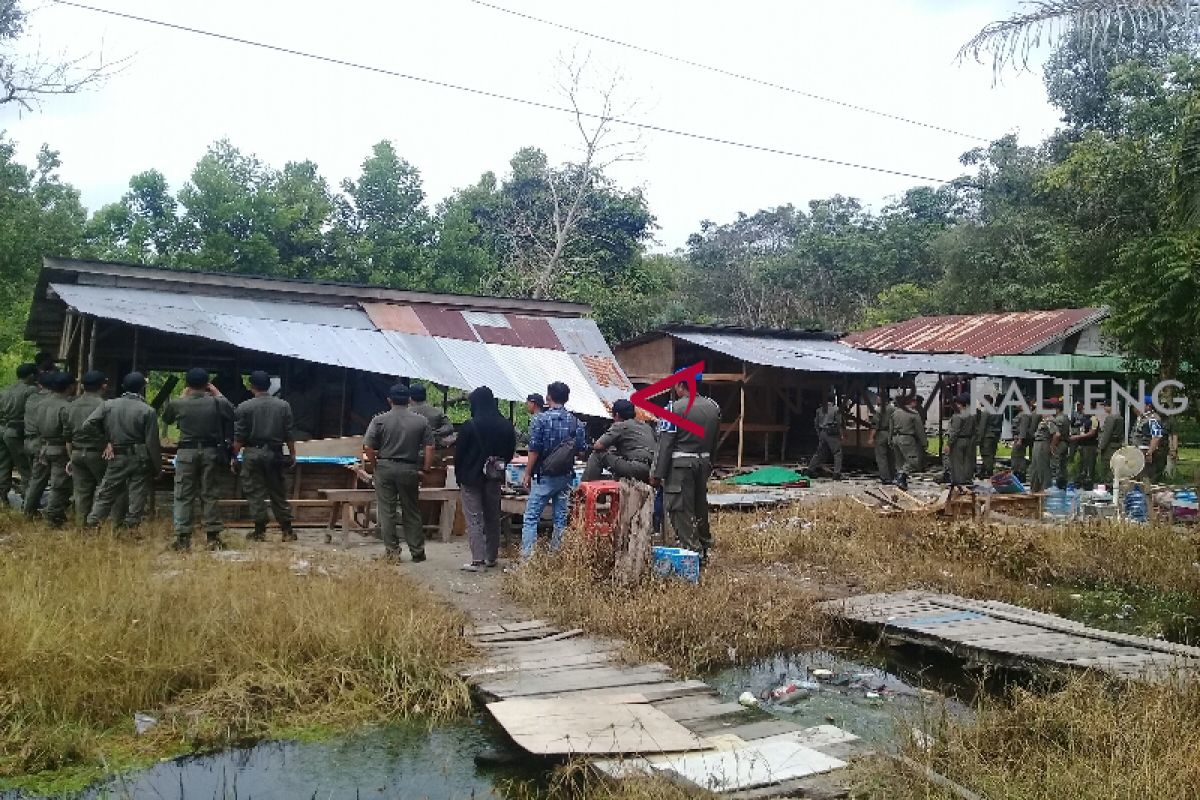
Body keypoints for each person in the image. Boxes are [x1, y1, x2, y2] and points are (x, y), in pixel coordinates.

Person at [162, 368, 235, 551]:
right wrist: (217, 392)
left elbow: (167, 418)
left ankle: (183, 538)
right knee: (209, 493)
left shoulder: (179, 404)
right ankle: (213, 537)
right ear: (207, 384)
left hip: (186, 452)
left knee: (183, 494)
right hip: (211, 452)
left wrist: (181, 395)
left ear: (187, 384)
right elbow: (232, 412)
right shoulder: (217, 403)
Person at [651, 379, 721, 560]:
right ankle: (705, 546)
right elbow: (715, 440)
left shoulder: (673, 409)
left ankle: (692, 553)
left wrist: (657, 474)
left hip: (680, 467)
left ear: (681, 385)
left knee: (680, 509)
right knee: (700, 507)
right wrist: (709, 463)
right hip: (703, 463)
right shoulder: (714, 407)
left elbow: (665, 444)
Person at [363, 384, 434, 563]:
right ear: (409, 400)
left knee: (387, 511)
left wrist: (375, 464)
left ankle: (392, 552)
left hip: (385, 468)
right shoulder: (421, 421)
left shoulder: (379, 420)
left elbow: (368, 447)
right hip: (409, 468)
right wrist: (425, 469)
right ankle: (417, 552)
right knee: (411, 510)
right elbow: (430, 447)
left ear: (389, 400)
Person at [82, 372, 161, 528]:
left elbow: (87, 425)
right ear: (142, 388)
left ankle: (93, 524)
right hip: (140, 457)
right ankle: (131, 527)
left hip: (117, 455)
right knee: (137, 494)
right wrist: (157, 467)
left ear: (123, 386)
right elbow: (152, 442)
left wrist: (105, 442)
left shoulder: (108, 405)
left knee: (106, 492)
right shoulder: (148, 410)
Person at [520, 381, 588, 559]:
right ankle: (556, 556)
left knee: (531, 517)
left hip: (544, 475)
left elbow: (534, 449)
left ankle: (527, 560)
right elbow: (581, 450)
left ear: (548, 397)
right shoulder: (576, 422)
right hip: (565, 476)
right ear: (566, 398)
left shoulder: (540, 419)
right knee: (560, 518)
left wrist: (527, 473)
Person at [455, 385, 516, 571]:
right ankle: (491, 557)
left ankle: (478, 561)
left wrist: (460, 475)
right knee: (493, 517)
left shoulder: (469, 426)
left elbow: (459, 455)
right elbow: (509, 453)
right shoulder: (506, 425)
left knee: (474, 518)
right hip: (494, 478)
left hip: (470, 478)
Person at [233, 370, 297, 542]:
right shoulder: (284, 406)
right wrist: (292, 455)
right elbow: (289, 434)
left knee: (255, 492)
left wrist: (234, 456)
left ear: (251, 386)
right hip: (275, 453)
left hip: (253, 453)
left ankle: (259, 530)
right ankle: (287, 530)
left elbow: (239, 437)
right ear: (269, 386)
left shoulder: (244, 407)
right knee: (278, 491)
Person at [65, 370, 123, 525]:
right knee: (111, 490)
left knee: (82, 494)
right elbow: (112, 432)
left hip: (77, 453)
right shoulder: (105, 406)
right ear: (103, 386)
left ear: (83, 386)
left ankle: (81, 528)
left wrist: (71, 457)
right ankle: (114, 527)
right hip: (99, 454)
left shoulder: (70, 405)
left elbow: (67, 436)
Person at [23, 371, 74, 525]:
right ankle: (53, 516)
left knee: (36, 481)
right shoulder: (66, 406)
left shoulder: (40, 403)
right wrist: (71, 457)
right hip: (59, 449)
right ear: (70, 387)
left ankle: (28, 510)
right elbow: (68, 436)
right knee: (59, 484)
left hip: (42, 446)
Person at [582, 399, 655, 483]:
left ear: (616, 415)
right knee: (614, 454)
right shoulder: (647, 427)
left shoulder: (620, 425)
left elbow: (598, 446)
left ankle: (585, 489)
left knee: (598, 455)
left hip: (635, 467)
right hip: (651, 469)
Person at [0, 363, 38, 501]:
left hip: (2, 428)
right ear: (32, 376)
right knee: (25, 467)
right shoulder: (30, 390)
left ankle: (2, 498)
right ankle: (28, 499)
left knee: (3, 465)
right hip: (17, 432)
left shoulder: (6, 390)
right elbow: (32, 413)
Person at [22, 371, 53, 505]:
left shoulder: (31, 398)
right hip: (40, 443)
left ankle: (28, 504)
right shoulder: (50, 401)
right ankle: (28, 509)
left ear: (39, 385)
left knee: (32, 476)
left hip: (28, 441)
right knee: (38, 479)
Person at [889, 394, 927, 491]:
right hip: (907, 438)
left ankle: (900, 480)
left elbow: (891, 427)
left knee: (899, 462)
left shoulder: (895, 412)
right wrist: (924, 442)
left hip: (895, 438)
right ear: (911, 402)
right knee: (913, 460)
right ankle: (901, 476)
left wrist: (890, 440)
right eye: (914, 401)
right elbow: (920, 430)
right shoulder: (914, 413)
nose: (916, 403)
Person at [1131, 395, 1166, 482]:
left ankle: (1147, 494)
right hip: (1138, 452)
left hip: (1145, 452)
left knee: (1145, 478)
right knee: (1137, 477)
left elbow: (1156, 437)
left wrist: (1149, 452)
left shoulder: (1153, 418)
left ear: (1148, 406)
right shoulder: (1142, 417)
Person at [1028, 403, 1062, 494]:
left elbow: (1057, 434)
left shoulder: (1050, 420)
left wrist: (1052, 445)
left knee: (1042, 467)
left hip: (1043, 444)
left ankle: (1044, 489)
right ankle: (1035, 488)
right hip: (1037, 443)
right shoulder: (1043, 420)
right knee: (1035, 467)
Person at [808, 396, 843, 480]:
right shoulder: (835, 409)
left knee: (819, 453)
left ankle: (810, 469)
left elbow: (815, 423)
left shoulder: (819, 410)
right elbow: (839, 423)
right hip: (832, 433)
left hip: (822, 432)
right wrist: (841, 434)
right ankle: (837, 473)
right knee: (837, 453)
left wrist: (819, 433)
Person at [947, 394, 978, 487]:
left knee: (957, 461)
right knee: (968, 461)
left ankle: (959, 480)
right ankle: (967, 478)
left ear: (959, 404)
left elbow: (955, 432)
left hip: (958, 440)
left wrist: (949, 444)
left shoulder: (957, 416)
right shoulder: (972, 414)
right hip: (969, 439)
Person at [867, 393, 895, 485]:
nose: (877, 400)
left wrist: (871, 438)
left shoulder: (878, 411)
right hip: (892, 434)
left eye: (878, 399)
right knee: (891, 457)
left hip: (881, 434)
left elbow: (875, 425)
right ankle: (892, 476)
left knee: (881, 457)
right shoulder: (894, 409)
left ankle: (885, 478)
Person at [1071, 404, 1100, 489]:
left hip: (1090, 446)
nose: (1083, 410)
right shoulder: (1084, 419)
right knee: (1082, 465)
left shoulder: (1093, 419)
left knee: (1089, 466)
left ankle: (1089, 484)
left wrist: (1078, 437)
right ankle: (1082, 482)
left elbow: (1092, 433)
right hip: (1082, 445)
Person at [1096, 399, 1123, 486]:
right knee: (1115, 466)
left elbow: (1106, 434)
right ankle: (1112, 485)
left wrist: (1101, 447)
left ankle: (1108, 485)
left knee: (1107, 466)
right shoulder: (1120, 417)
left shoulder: (1111, 418)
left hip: (1109, 446)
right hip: (1117, 444)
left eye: (1105, 406)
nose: (1104, 408)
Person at [975, 395, 1004, 477]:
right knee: (991, 454)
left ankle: (990, 474)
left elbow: (982, 427)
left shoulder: (986, 412)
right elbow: (1001, 425)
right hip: (995, 435)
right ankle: (982, 472)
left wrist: (979, 439)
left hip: (986, 436)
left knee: (986, 455)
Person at [1010, 405, 1037, 482]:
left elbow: (1023, 427)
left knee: (1017, 456)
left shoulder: (1025, 414)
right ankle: (1019, 472)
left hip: (1020, 439)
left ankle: (1020, 472)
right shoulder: (1024, 413)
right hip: (1019, 437)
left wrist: (1020, 439)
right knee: (1017, 456)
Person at [1052, 399, 1072, 489]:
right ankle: (1063, 482)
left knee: (1056, 463)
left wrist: (1053, 445)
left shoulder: (1058, 419)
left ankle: (1058, 483)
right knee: (1063, 464)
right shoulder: (1066, 417)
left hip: (1059, 443)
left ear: (1057, 409)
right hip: (1065, 442)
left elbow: (1057, 434)